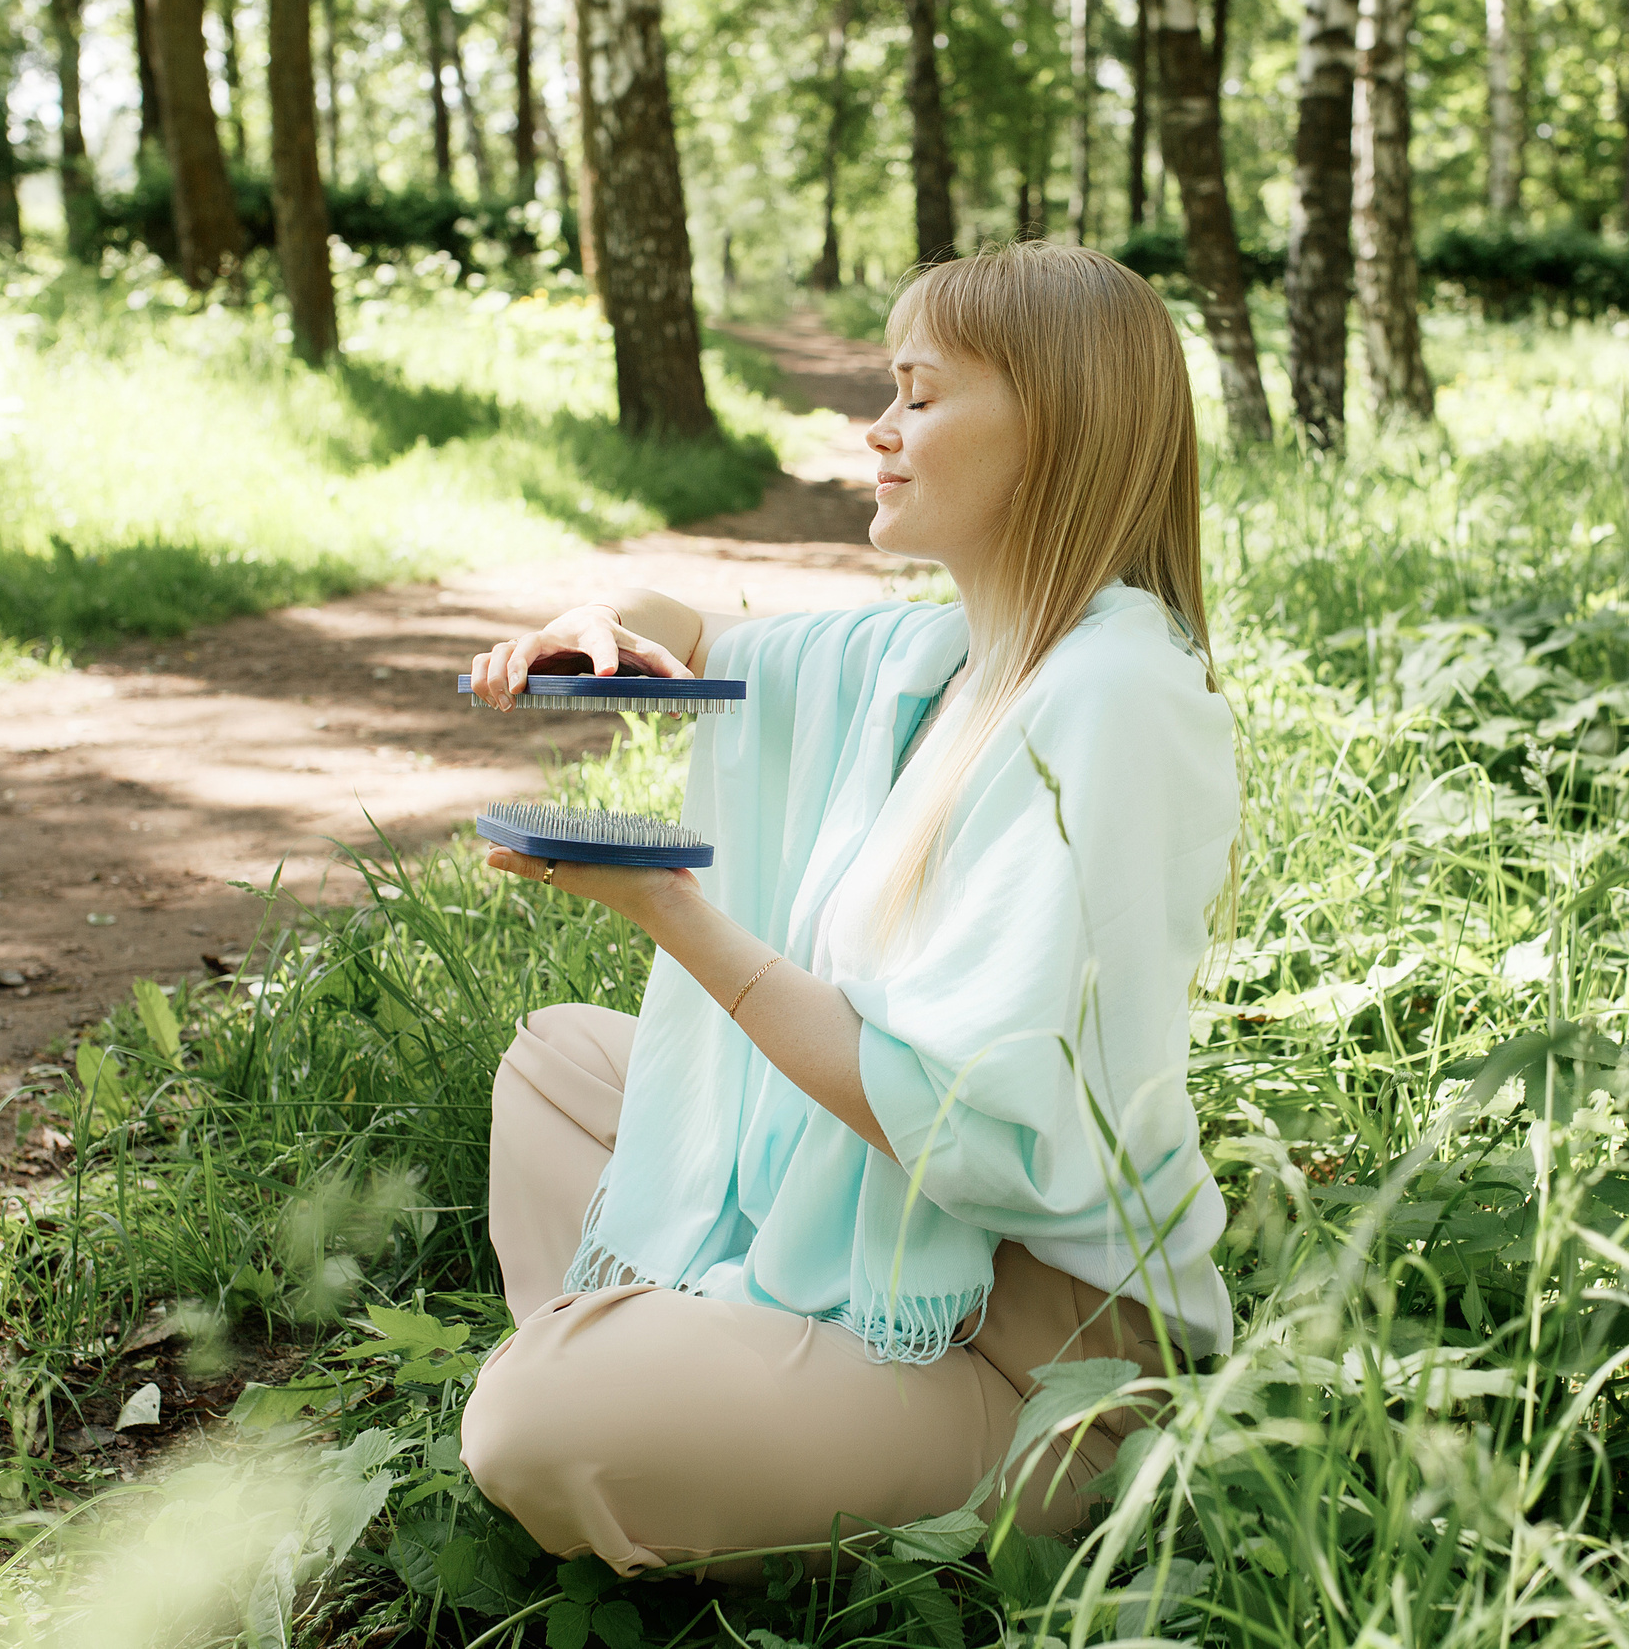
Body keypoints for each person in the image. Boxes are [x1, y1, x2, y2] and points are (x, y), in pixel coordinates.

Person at [455, 241, 1241, 1581]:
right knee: (556, 1063)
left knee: (534, 1426)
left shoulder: (1111, 695)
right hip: (882, 1231)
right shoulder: (949, 650)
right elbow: (701, 635)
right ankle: (704, 1379)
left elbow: (970, 1127)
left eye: (921, 398)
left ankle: (663, 1400)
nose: (878, 430)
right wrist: (594, 619)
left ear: (1054, 425)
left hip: (1035, 1359)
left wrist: (672, 915)